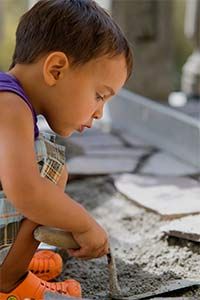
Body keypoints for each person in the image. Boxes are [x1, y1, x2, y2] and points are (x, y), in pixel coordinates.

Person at [0, 0, 133, 298]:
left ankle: (14, 262)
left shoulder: (10, 100)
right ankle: (8, 283)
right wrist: (84, 223)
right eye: (99, 95)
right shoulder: (8, 105)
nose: (99, 113)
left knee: (46, 166)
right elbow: (27, 193)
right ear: (56, 70)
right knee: (48, 171)